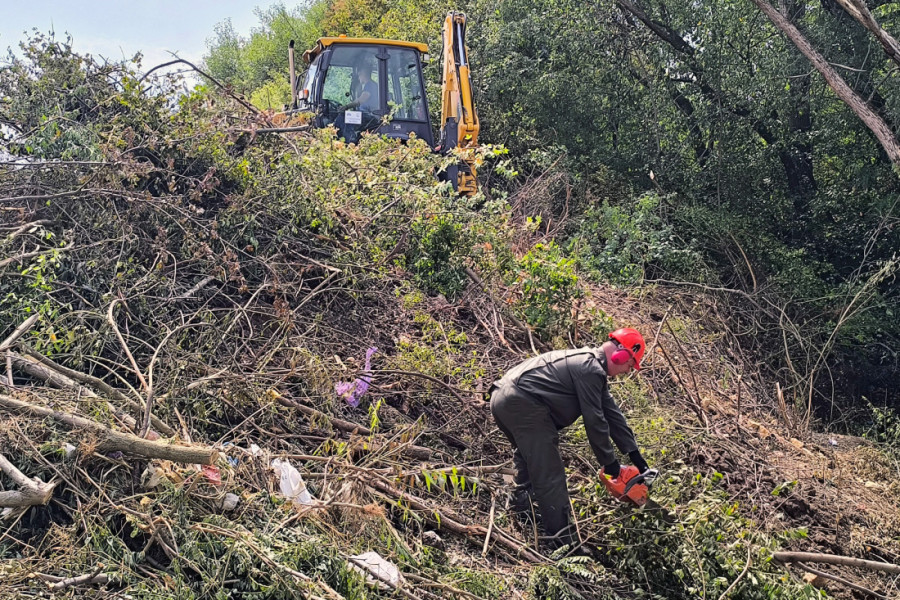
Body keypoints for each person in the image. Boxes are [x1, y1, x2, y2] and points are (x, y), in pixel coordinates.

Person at [489, 328, 651, 549]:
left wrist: (636, 457)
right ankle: (562, 543)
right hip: (522, 402)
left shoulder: (591, 367)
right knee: (551, 474)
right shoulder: (590, 369)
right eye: (629, 365)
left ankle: (520, 510)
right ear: (620, 354)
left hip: (503, 398)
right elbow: (595, 420)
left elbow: (612, 414)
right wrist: (610, 464)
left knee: (528, 457)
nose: (627, 371)